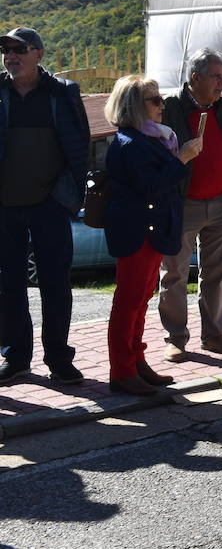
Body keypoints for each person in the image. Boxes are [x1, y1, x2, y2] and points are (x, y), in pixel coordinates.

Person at [102, 76, 203, 394]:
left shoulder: (151, 138)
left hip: (150, 230)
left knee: (140, 300)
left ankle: (135, 362)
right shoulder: (130, 143)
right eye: (154, 100)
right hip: (136, 232)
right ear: (134, 105)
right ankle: (122, 371)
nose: (162, 105)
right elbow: (151, 186)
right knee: (129, 301)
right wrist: (182, 159)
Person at [0, 27, 90, 385]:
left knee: (55, 285)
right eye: (6, 50)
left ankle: (58, 359)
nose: (11, 56)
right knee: (9, 286)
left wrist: (65, 199)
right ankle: (17, 358)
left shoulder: (62, 92)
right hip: (5, 207)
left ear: (38, 53)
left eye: (19, 49)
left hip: (49, 205)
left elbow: (80, 147)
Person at [158, 49, 222, 361]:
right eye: (217, 76)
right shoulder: (167, 107)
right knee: (173, 275)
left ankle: (214, 335)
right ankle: (176, 339)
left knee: (216, 273)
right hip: (182, 205)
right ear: (196, 78)